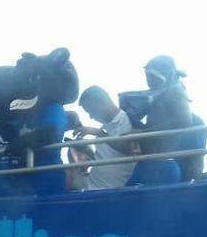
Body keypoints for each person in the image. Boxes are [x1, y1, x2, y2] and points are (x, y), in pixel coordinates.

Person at [125, 56, 194, 186]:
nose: (148, 80)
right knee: (125, 200)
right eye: (146, 76)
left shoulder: (176, 90)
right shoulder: (159, 95)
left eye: (151, 76)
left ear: (165, 73)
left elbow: (184, 120)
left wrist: (143, 133)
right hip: (149, 161)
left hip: (162, 163)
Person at [77, 86, 135, 190]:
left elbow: (130, 149)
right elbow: (107, 158)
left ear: (102, 102)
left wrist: (100, 134)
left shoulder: (128, 121)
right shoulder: (105, 128)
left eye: (91, 110)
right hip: (92, 189)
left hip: (113, 193)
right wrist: (85, 153)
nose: (91, 116)